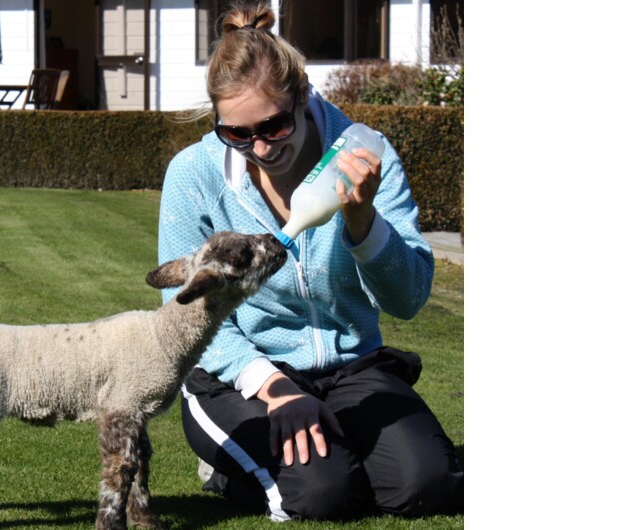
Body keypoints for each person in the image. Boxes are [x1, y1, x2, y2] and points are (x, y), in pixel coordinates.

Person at [156, 1, 463, 522]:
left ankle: (341, 457)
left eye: (273, 126)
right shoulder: (194, 175)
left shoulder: (363, 156)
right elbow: (185, 309)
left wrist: (364, 225)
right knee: (324, 496)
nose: (258, 147)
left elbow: (408, 299)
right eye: (236, 133)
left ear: (302, 97)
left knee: (427, 485)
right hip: (239, 376)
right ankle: (226, 469)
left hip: (350, 368)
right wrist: (272, 387)